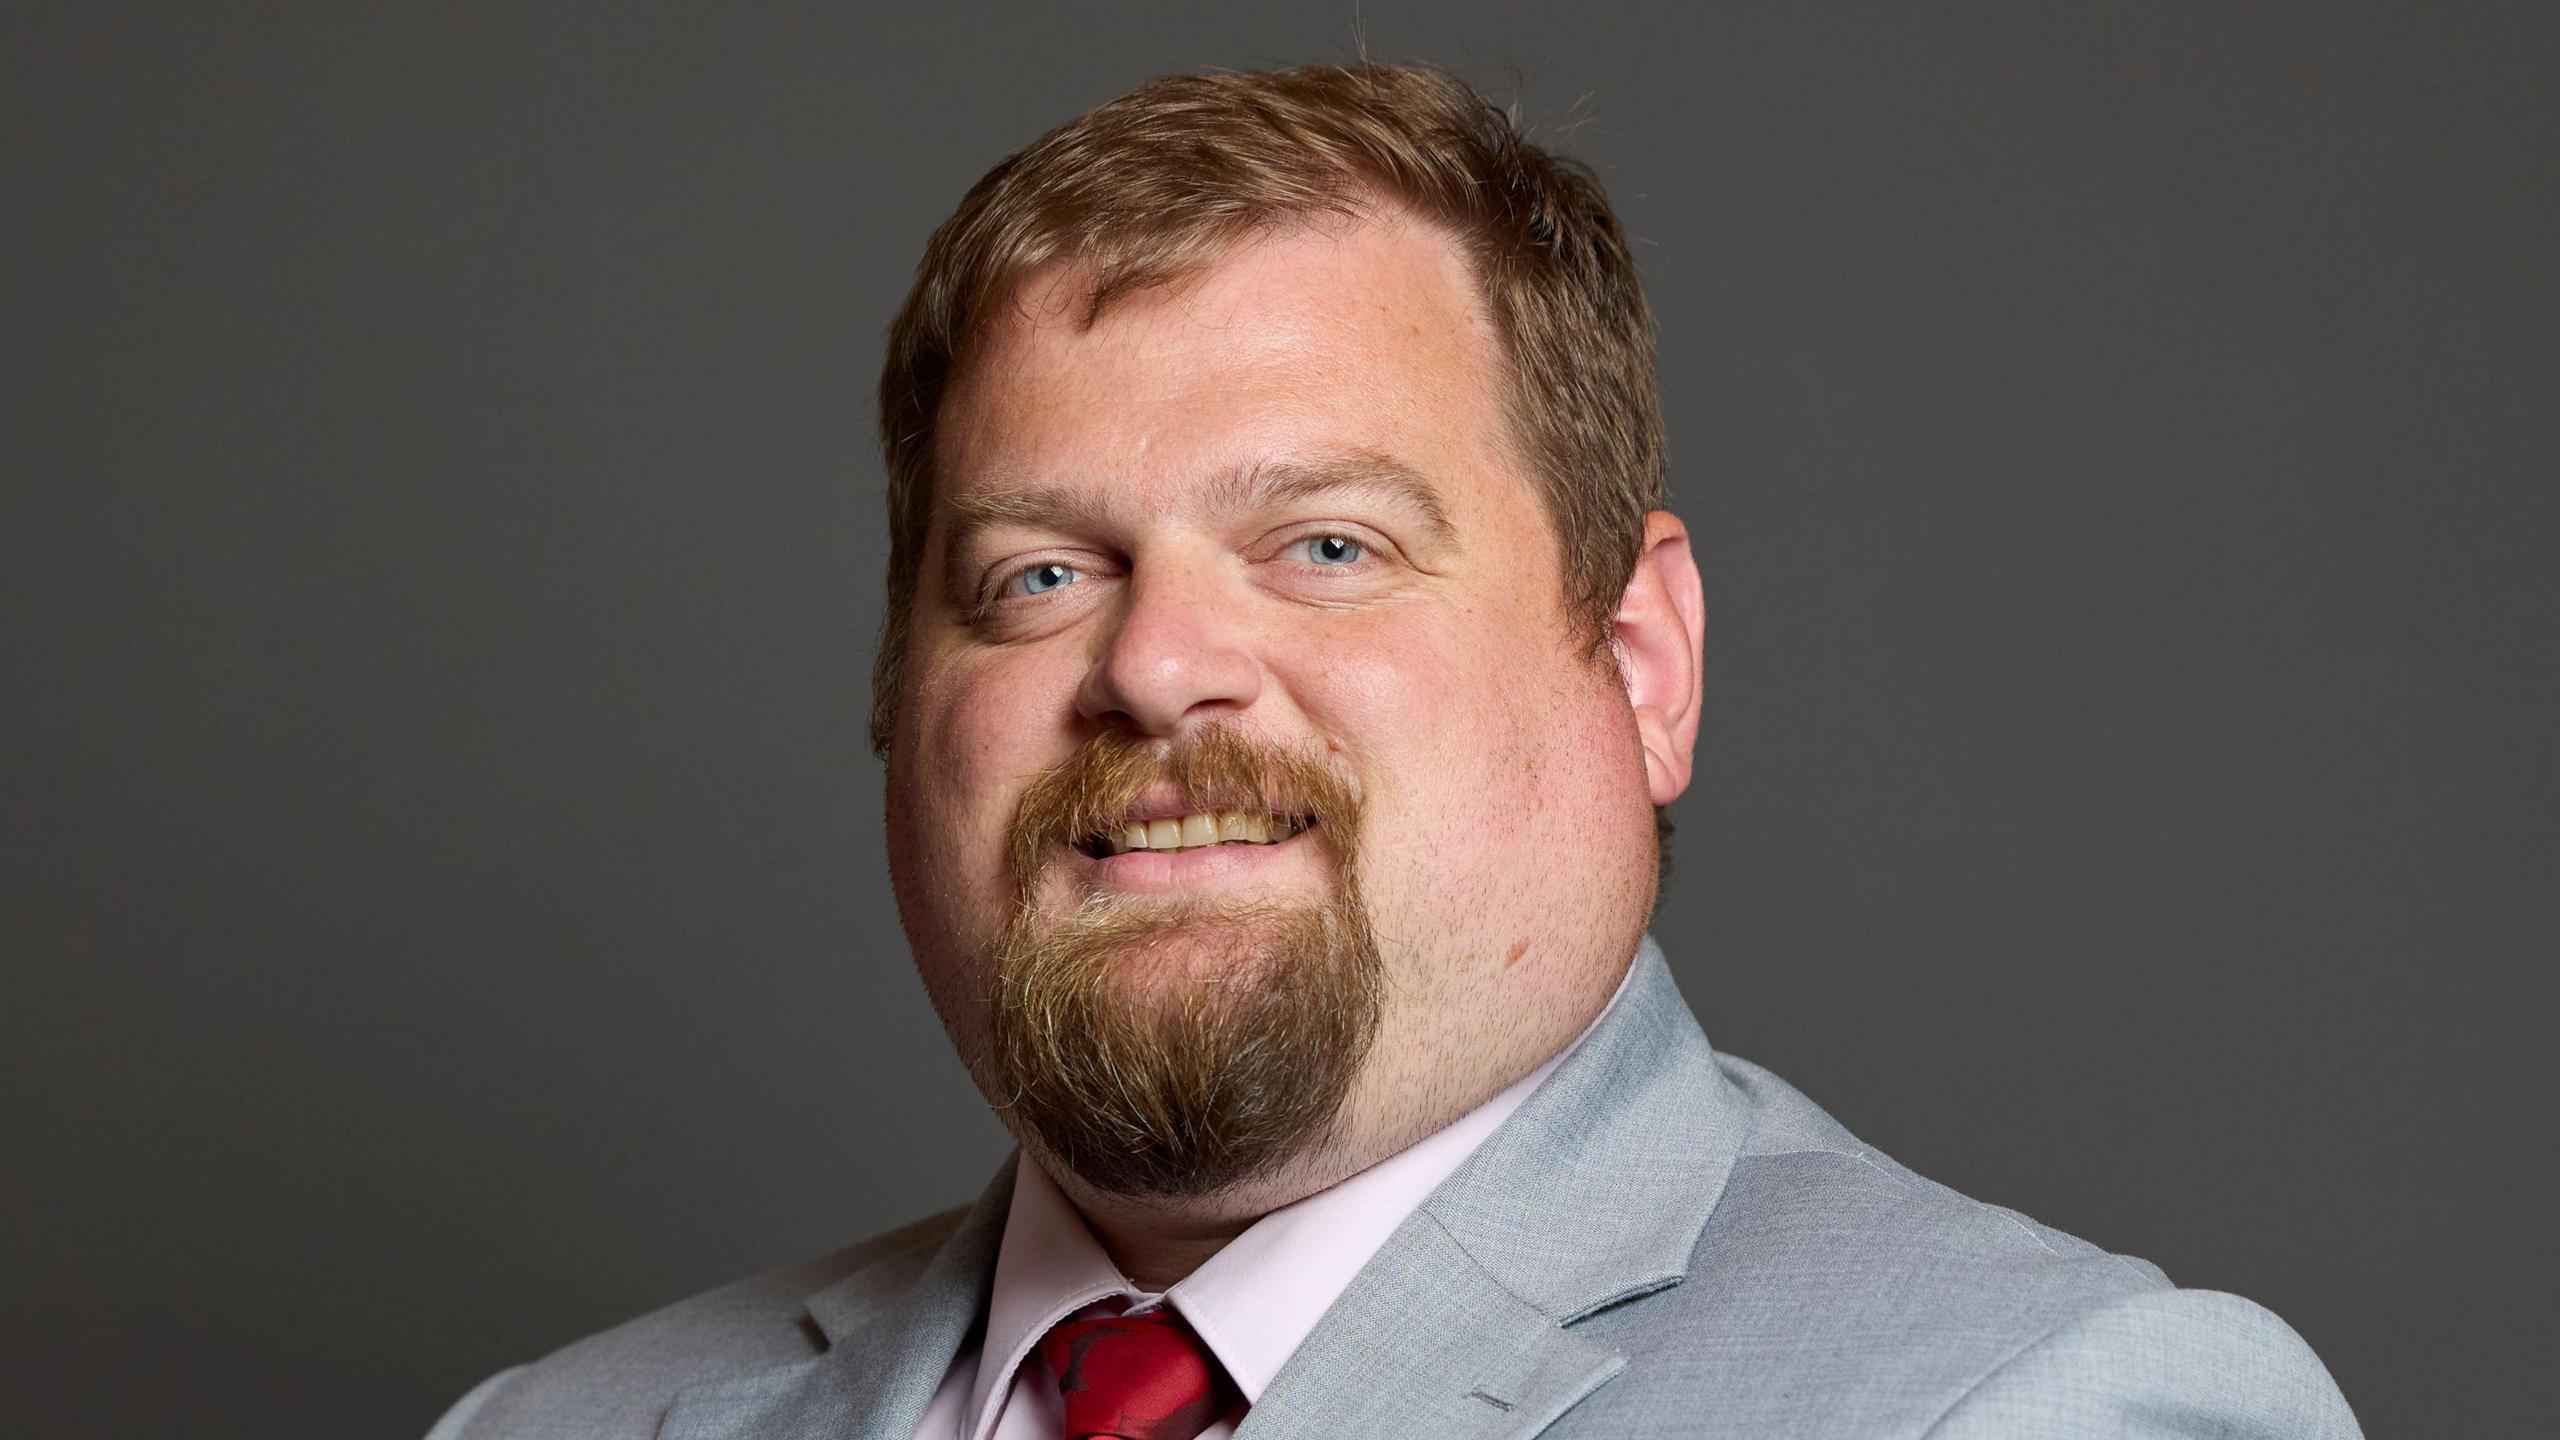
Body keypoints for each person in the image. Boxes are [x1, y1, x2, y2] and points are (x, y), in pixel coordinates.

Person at [428, 63, 2359, 1440]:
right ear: (895, 696)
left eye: (1328, 546)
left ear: (1640, 659)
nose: (1161, 663)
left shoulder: (2044, 1411)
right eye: (1035, 573)